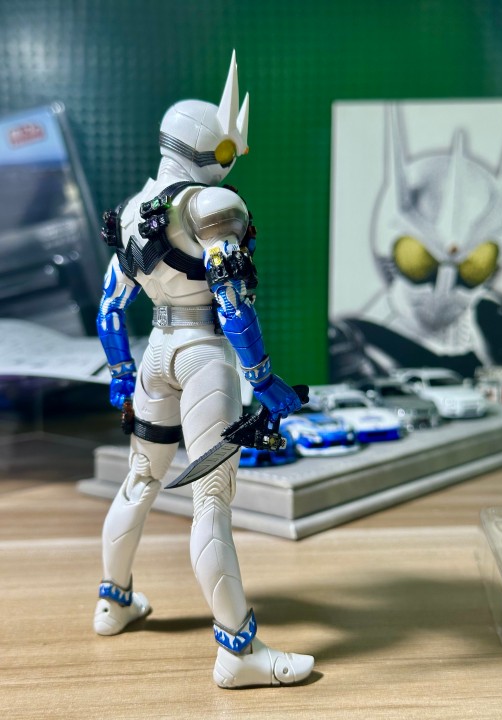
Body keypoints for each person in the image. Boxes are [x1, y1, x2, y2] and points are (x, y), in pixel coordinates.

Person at [93, 51, 314, 689]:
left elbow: (110, 308)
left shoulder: (132, 210)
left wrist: (121, 374)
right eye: (225, 147)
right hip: (203, 356)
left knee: (140, 479)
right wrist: (264, 377)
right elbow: (232, 301)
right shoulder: (212, 206)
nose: (231, 158)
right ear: (205, 146)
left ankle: (113, 601)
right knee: (211, 500)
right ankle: (237, 650)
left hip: (154, 357)